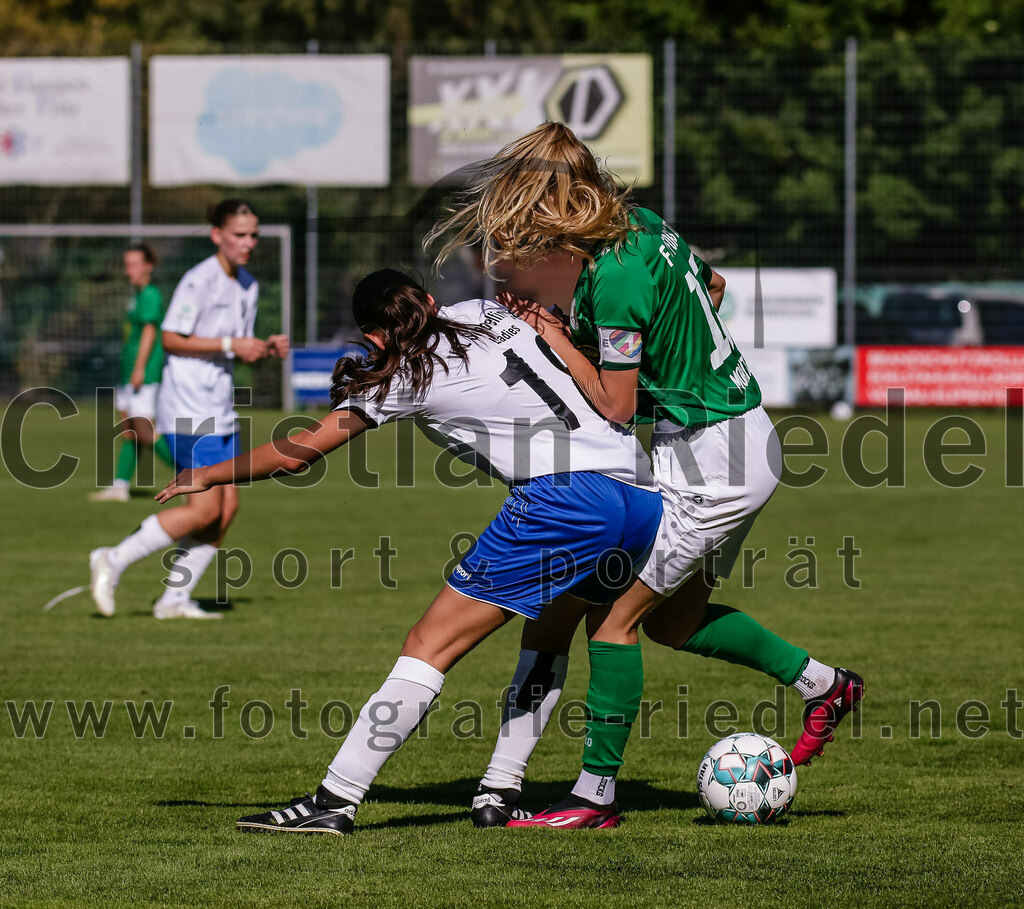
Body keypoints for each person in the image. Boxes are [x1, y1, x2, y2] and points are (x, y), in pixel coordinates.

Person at [427, 121, 864, 828]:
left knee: (612, 619)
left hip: (714, 458)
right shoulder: (645, 224)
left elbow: (616, 404)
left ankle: (593, 796)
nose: (524, 243)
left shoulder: (616, 275)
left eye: (527, 225)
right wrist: (671, 352)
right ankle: (825, 685)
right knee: (674, 623)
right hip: (730, 438)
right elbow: (714, 285)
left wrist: (555, 334)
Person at [155, 269, 664, 834]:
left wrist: (208, 474)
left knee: (428, 645)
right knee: (548, 634)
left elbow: (298, 452)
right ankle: (499, 790)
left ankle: (334, 800)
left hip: (567, 499)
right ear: (428, 299)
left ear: (373, 336)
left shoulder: (405, 373)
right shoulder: (481, 311)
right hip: (639, 493)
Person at [88, 199, 289, 619]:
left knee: (227, 508)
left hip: (220, 408)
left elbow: (233, 347)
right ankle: (113, 558)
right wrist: (232, 344)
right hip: (188, 409)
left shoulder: (248, 284)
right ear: (217, 235)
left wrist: (261, 348)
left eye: (253, 234)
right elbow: (171, 338)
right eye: (239, 234)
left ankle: (173, 599)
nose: (248, 242)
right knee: (205, 508)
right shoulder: (199, 280)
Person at [89, 244, 176, 502]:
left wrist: (139, 368)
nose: (129, 271)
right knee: (130, 431)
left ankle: (192, 477)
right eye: (127, 265)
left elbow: (150, 332)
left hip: (144, 373)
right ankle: (120, 486)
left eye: (134, 265)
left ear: (149, 266)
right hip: (128, 372)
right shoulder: (136, 295)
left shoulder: (150, 294)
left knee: (146, 431)